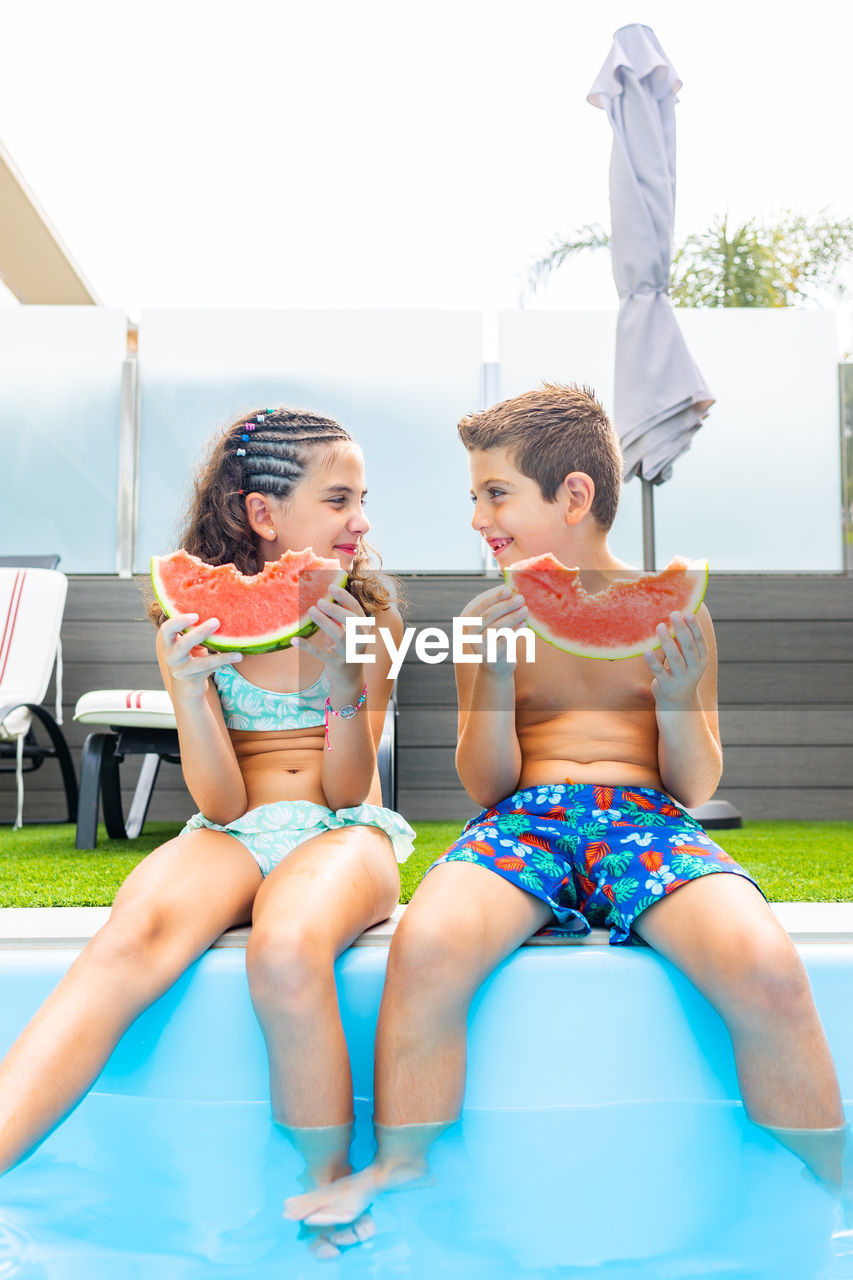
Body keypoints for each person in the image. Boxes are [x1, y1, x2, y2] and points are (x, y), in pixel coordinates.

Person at [285, 382, 848, 1232]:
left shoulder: (677, 611)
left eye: (494, 493)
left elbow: (693, 787)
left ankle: (829, 1175)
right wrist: (496, 678)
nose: (478, 516)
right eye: (475, 496)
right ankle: (403, 1165)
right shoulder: (486, 621)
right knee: (428, 946)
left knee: (767, 971)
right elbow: (485, 786)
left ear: (573, 496)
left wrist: (677, 696)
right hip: (523, 820)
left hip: (648, 820)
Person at [0, 407, 413, 1254]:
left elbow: (346, 785)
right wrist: (188, 689)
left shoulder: (368, 620)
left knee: (289, 944)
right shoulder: (191, 615)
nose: (361, 522)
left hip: (348, 830)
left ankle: (326, 1192)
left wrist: (344, 676)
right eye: (338, 500)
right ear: (264, 513)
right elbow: (220, 803)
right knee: (130, 937)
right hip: (234, 825)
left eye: (361, 499)